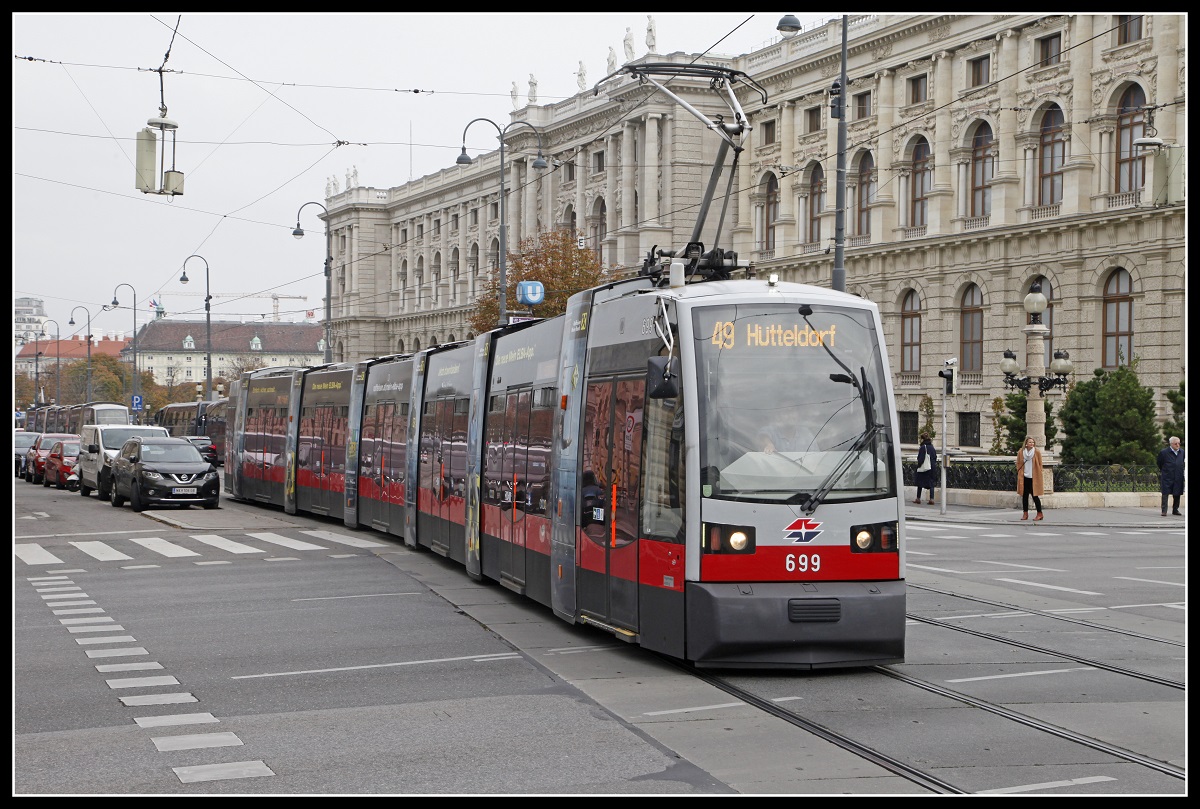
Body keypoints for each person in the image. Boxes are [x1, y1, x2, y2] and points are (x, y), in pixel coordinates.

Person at [1016, 436, 1044, 520]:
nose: (1031, 444)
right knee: (1024, 496)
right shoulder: (1021, 452)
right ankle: (1025, 514)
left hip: (1034, 477)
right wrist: (1020, 472)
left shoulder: (1037, 452)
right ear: (1026, 444)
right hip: (1024, 477)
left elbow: (1040, 464)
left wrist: (1039, 473)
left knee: (1035, 496)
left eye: (1033, 442)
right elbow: (1018, 463)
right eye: (1030, 442)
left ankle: (1040, 513)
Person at [1157, 435, 1185, 516]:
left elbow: (1182, 461)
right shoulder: (1164, 452)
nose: (1178, 445)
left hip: (1178, 476)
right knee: (1165, 493)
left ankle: (1175, 509)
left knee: (1177, 493)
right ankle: (1164, 510)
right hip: (1167, 476)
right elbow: (1159, 463)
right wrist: (1166, 470)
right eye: (1176, 443)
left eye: (1179, 443)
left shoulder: (1182, 452)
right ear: (1171, 444)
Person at [913, 432, 938, 505]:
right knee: (931, 483)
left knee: (920, 483)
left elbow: (921, 458)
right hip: (932, 467)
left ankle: (918, 498)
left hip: (924, 468)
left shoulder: (923, 447)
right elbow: (935, 457)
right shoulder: (932, 447)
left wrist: (918, 465)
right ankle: (932, 499)